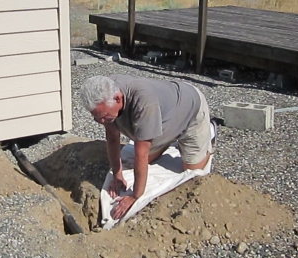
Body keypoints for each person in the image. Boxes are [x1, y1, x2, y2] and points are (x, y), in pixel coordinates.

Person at [80, 75, 214, 220]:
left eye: (104, 117)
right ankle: (166, 136)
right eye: (97, 117)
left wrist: (135, 196)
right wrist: (117, 175)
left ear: (118, 99)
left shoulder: (144, 103)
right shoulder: (105, 93)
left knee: (193, 172)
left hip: (190, 110)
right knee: (143, 159)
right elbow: (112, 138)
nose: (101, 121)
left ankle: (210, 133)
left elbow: (141, 155)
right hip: (163, 116)